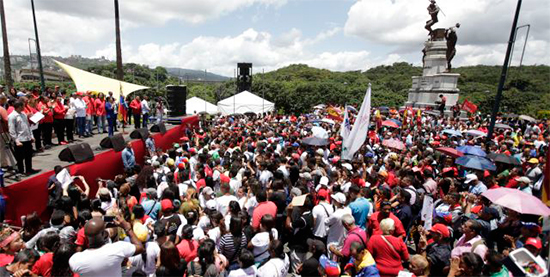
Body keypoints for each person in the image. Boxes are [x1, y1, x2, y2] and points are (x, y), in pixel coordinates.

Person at [68, 216, 145, 277]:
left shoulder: (75, 260)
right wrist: (127, 228)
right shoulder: (117, 249)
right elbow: (140, 247)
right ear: (103, 234)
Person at [8, 100, 39, 175]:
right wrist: (16, 141)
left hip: (27, 138)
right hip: (20, 139)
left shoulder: (23, 114)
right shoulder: (12, 116)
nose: (24, 107)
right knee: (20, 157)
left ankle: (29, 169)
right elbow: (12, 130)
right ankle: (21, 170)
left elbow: (27, 126)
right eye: (23, 106)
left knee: (28, 155)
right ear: (19, 107)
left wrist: (31, 136)